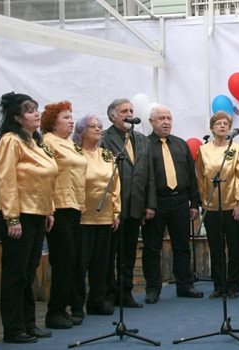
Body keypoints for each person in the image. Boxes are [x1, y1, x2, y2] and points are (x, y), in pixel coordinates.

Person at [0, 92, 58, 343]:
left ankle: (29, 323)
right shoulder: (11, 141)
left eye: (36, 108)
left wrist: (48, 210)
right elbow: (6, 179)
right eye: (30, 110)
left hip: (37, 213)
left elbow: (46, 179)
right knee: (15, 272)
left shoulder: (35, 142)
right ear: (17, 117)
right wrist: (11, 218)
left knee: (29, 271)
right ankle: (13, 328)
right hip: (17, 213)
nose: (36, 113)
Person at [142, 104, 203, 304]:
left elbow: (191, 176)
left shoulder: (180, 144)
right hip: (156, 202)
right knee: (152, 247)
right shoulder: (144, 145)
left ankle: (185, 285)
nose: (166, 122)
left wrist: (194, 203)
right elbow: (141, 178)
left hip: (179, 201)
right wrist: (146, 204)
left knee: (182, 246)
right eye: (161, 118)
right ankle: (152, 288)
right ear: (151, 122)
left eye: (168, 118)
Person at [101, 98, 156, 308]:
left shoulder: (142, 140)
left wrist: (149, 204)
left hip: (135, 205)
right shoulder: (105, 139)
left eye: (131, 110)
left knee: (129, 252)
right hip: (112, 207)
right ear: (113, 116)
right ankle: (108, 293)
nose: (129, 113)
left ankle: (125, 292)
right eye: (124, 110)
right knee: (109, 252)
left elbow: (149, 174)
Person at [40, 101, 88, 329]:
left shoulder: (70, 144)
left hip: (75, 207)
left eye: (71, 116)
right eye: (65, 117)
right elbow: (45, 177)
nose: (71, 120)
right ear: (52, 122)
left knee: (72, 261)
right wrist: (49, 207)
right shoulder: (47, 142)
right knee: (63, 260)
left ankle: (65, 307)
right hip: (58, 207)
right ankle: (54, 312)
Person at [71, 114, 120, 317]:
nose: (99, 129)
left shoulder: (107, 155)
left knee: (102, 263)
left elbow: (115, 183)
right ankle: (76, 305)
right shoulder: (74, 153)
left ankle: (97, 301)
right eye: (93, 126)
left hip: (105, 216)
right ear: (81, 131)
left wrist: (116, 211)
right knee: (80, 263)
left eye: (100, 126)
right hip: (82, 215)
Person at [196, 111, 239, 299]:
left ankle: (234, 285)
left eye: (226, 123)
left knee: (235, 247)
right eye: (218, 123)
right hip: (211, 206)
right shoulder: (203, 150)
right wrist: (203, 201)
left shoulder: (238, 148)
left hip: (232, 205)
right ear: (211, 128)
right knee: (215, 247)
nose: (223, 126)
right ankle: (219, 285)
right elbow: (200, 177)